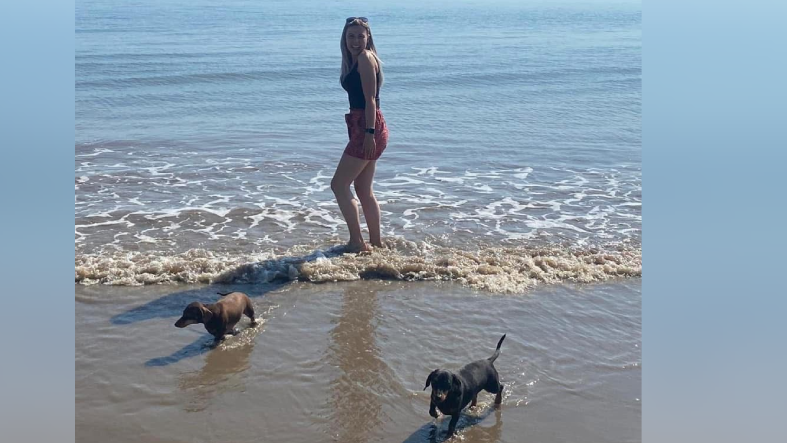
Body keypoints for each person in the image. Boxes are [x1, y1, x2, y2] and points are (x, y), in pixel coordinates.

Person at [331, 17, 389, 253]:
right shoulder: (354, 60)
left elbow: (370, 100)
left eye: (360, 36)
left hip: (367, 126)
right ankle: (376, 244)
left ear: (368, 38)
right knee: (364, 190)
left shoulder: (365, 59)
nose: (355, 41)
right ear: (344, 39)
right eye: (351, 36)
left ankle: (357, 242)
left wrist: (368, 133)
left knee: (338, 185)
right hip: (364, 126)